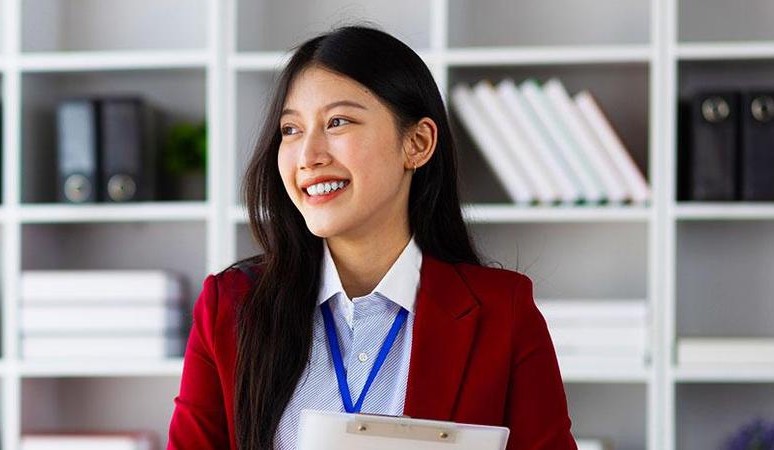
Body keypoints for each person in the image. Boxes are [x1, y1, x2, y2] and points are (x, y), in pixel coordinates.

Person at [165, 25, 577, 450]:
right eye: (291, 130)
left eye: (338, 122)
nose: (308, 156)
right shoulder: (229, 307)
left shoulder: (502, 313)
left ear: (417, 143)